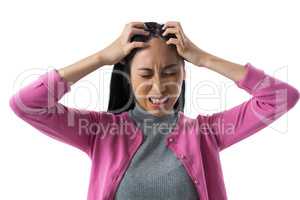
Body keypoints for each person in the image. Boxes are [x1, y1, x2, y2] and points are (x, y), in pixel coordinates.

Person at [9, 21, 299, 200]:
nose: (159, 88)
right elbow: (27, 103)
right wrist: (101, 57)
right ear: (127, 76)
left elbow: (281, 97)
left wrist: (203, 58)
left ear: (184, 74)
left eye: (171, 73)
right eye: (146, 74)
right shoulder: (101, 132)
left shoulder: (205, 134)